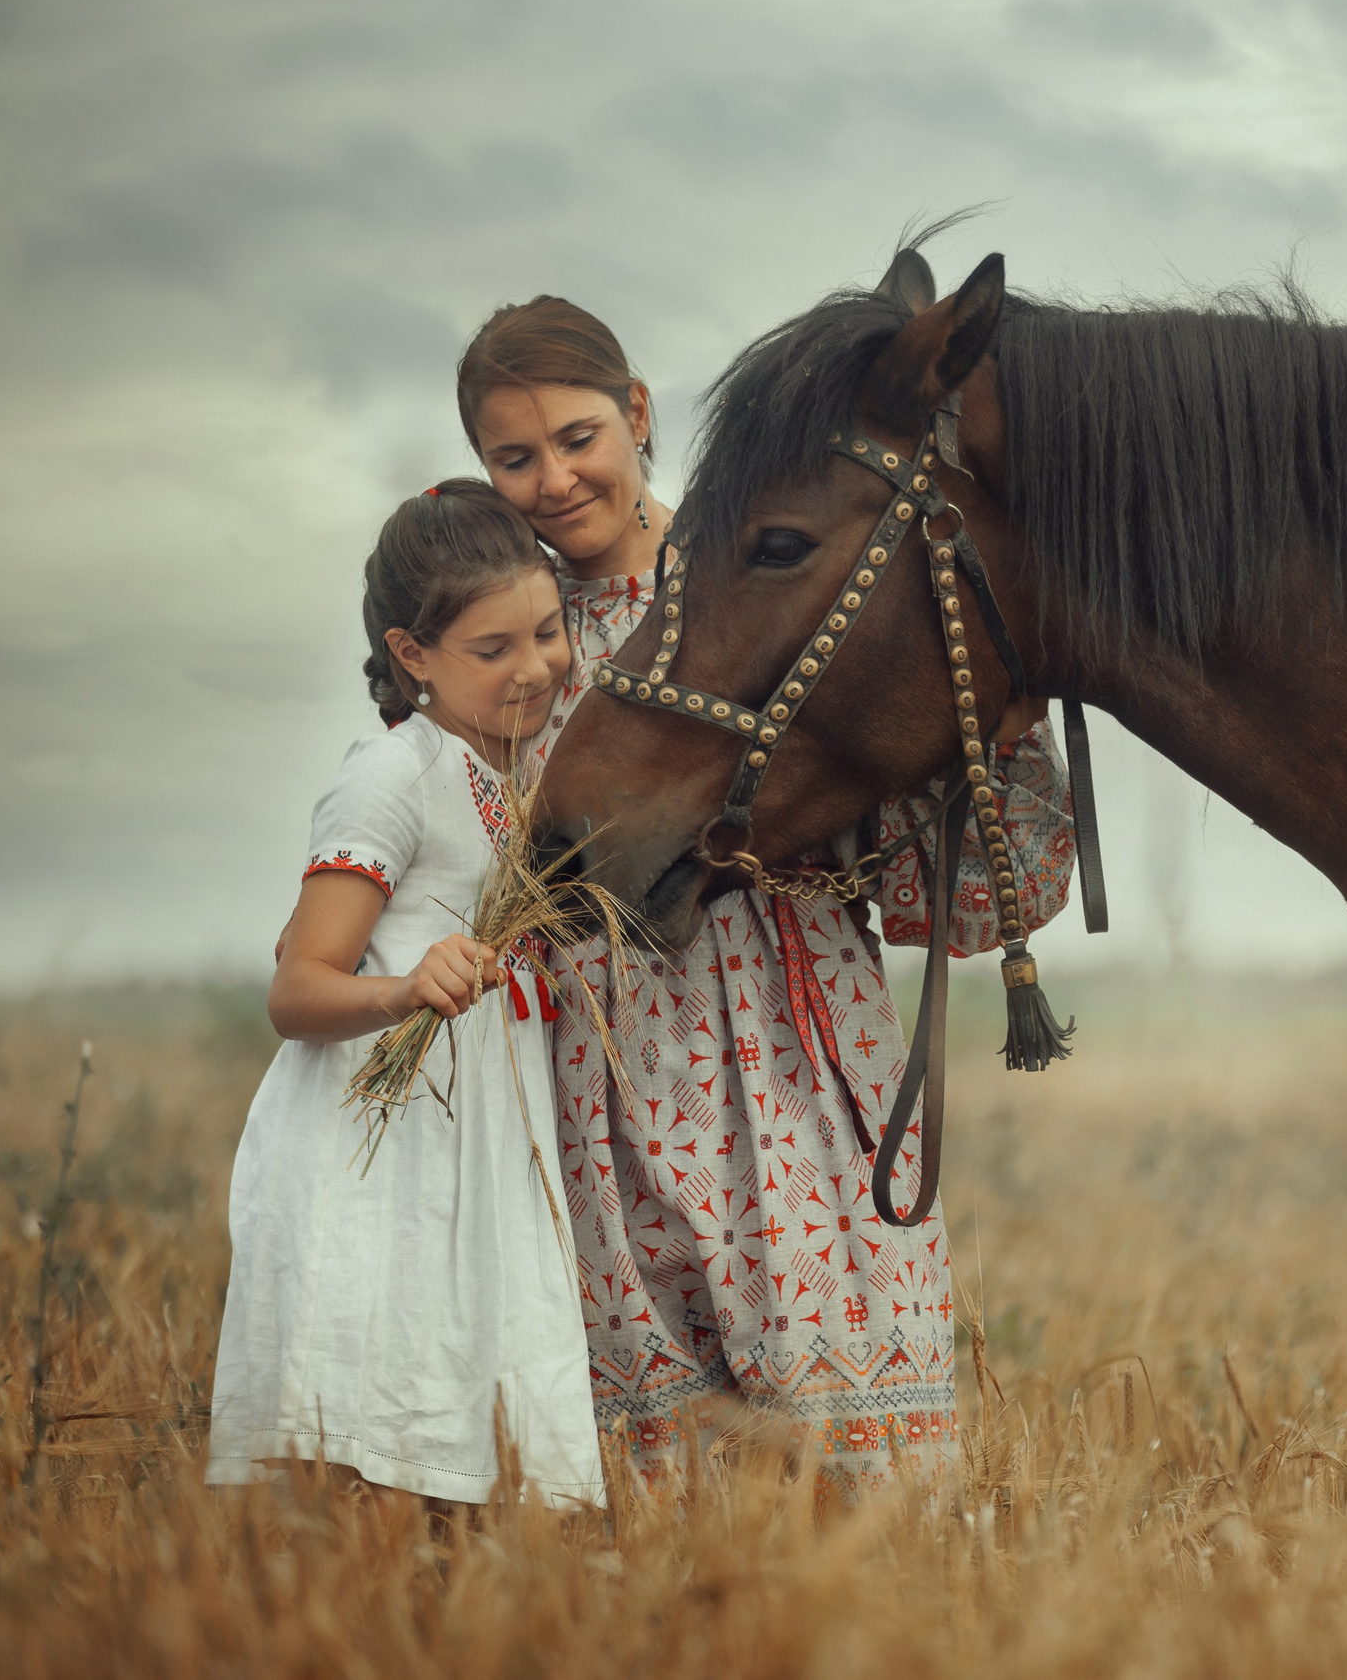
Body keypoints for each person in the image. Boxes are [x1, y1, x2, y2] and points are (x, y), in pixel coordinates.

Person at [458, 297, 1078, 1498]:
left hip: (794, 1051)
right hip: (604, 1072)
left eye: (577, 436)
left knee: (849, 1456)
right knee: (652, 1465)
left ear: (637, 415)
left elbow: (943, 896)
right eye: (513, 456)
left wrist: (985, 734)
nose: (552, 479)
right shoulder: (506, 638)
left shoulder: (772, 580)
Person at [206, 480, 604, 1510]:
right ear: (413, 654)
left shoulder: (514, 767)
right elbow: (297, 990)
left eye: (548, 633)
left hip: (483, 1122)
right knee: (378, 1393)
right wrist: (405, 990)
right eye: (493, 650)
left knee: (472, 1389)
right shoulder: (393, 773)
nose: (534, 668)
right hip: (387, 1134)